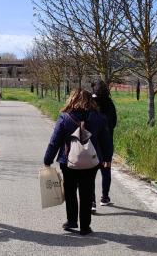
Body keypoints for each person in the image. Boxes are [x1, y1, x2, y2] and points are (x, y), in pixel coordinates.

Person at [43, 89, 112, 235]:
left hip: (68, 160)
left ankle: (72, 220)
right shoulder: (99, 118)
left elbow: (54, 141)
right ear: (90, 101)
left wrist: (48, 159)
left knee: (70, 190)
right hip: (92, 161)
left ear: (72, 99)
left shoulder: (64, 117)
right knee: (87, 192)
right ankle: (85, 227)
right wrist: (107, 158)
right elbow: (106, 140)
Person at [91, 80, 117, 211]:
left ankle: (91, 202)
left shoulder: (90, 103)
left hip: (92, 143)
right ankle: (105, 197)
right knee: (106, 170)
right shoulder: (110, 103)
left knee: (90, 173)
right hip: (107, 142)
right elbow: (114, 122)